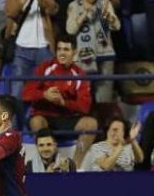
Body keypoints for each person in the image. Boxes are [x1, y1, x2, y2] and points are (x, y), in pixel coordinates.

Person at [22, 34, 98, 168]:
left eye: (66, 49)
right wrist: (44, 94)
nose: (62, 53)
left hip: (67, 118)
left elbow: (85, 107)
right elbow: (26, 94)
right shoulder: (44, 68)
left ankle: (75, 167)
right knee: (36, 121)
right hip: (45, 116)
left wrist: (64, 103)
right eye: (59, 49)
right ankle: (47, 165)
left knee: (90, 124)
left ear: (74, 52)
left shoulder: (79, 75)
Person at [5, 0, 59, 98]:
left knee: (48, 89)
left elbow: (53, 10)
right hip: (20, 49)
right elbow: (11, 12)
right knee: (17, 91)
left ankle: (41, 118)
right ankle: (15, 119)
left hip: (44, 49)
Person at [65, 0, 120, 102]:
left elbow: (117, 26)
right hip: (83, 56)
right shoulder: (73, 6)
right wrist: (84, 12)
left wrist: (110, 18)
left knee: (104, 97)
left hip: (105, 54)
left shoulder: (105, 3)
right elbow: (70, 30)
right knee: (84, 95)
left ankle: (103, 119)